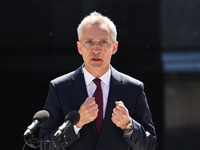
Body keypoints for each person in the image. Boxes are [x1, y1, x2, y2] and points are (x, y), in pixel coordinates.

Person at [39, 11, 157, 150]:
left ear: (114, 47)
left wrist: (129, 125)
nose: (96, 49)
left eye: (103, 42)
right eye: (89, 42)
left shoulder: (133, 88)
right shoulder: (59, 87)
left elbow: (150, 145)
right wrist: (77, 124)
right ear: (79, 47)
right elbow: (45, 145)